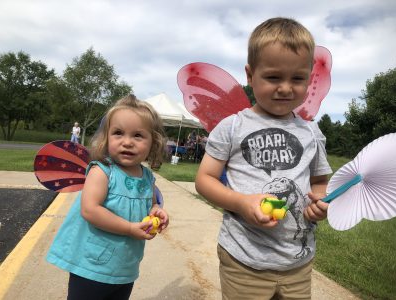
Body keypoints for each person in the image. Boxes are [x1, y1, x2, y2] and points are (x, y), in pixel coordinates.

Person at [195, 17, 332, 299]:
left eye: (297, 78)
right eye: (273, 77)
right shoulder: (232, 127)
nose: (285, 88)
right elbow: (204, 180)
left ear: (309, 77)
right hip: (244, 260)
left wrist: (321, 202)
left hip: (298, 262)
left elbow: (319, 182)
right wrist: (242, 203)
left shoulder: (312, 133)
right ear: (250, 74)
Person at [47, 94, 169, 300]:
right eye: (118, 133)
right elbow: (90, 210)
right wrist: (130, 228)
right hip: (92, 264)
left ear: (153, 143)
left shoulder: (147, 176)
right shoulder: (102, 172)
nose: (127, 142)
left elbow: (152, 203)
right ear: (106, 138)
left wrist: (156, 210)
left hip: (125, 265)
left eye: (138, 135)